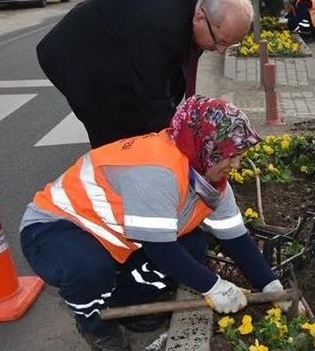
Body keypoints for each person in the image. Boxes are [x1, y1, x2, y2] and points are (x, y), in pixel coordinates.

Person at [20, 96, 291, 351]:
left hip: (114, 238)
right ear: (206, 147)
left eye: (238, 155)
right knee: (88, 268)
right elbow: (161, 250)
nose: (237, 164)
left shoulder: (210, 181)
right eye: (229, 155)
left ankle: (124, 302)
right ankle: (95, 324)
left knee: (193, 244)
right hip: (57, 228)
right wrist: (214, 286)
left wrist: (271, 286)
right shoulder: (157, 171)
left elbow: (236, 239)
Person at [37, 0, 253, 149]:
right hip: (78, 56)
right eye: (219, 42)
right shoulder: (159, 30)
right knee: (120, 136)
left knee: (148, 131)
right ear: (199, 18)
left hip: (122, 36)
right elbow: (154, 100)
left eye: (229, 44)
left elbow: (174, 76)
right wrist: (184, 148)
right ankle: (115, 187)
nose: (221, 51)